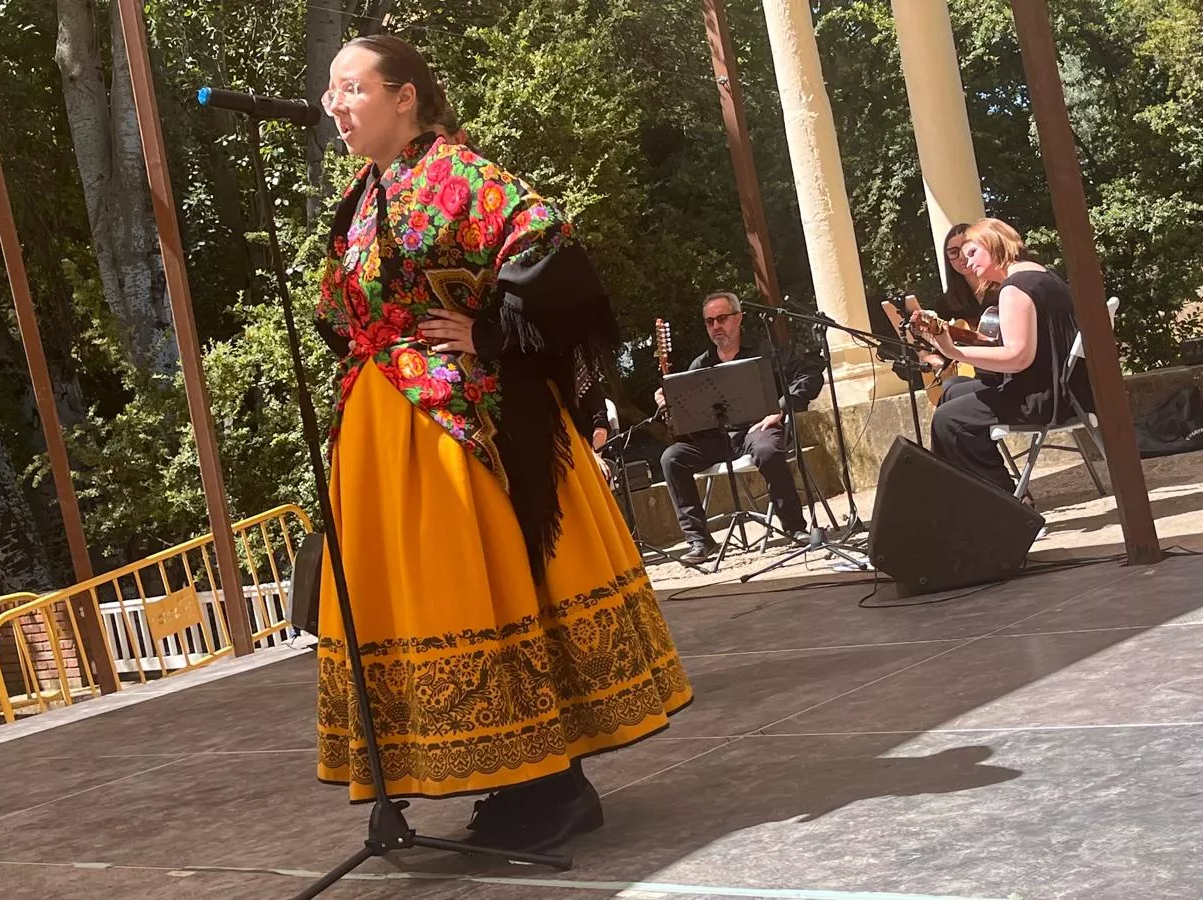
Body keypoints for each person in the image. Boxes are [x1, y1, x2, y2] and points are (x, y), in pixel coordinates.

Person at [312, 34, 692, 852]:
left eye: (351, 87)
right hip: (388, 431)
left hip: (455, 431)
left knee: (485, 594)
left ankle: (551, 785)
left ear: (405, 96)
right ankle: (509, 775)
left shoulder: (459, 175)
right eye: (331, 91)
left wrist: (491, 333)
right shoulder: (366, 193)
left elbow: (554, 256)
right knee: (438, 602)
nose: (333, 104)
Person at [923, 218, 1094, 495]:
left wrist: (952, 351)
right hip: (1068, 390)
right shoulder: (1042, 274)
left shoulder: (1015, 288)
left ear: (993, 244)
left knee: (948, 419)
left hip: (1045, 399)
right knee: (953, 389)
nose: (968, 262)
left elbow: (1018, 359)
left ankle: (1004, 501)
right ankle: (970, 490)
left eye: (973, 252)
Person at [656, 292, 824, 564]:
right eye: (709, 321)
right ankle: (699, 540)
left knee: (767, 450)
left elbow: (810, 372)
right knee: (672, 458)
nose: (716, 326)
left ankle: (794, 527)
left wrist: (782, 407)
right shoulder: (700, 365)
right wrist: (670, 406)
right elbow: (688, 426)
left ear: (739, 318)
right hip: (717, 439)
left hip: (758, 429)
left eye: (722, 318)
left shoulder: (765, 351)